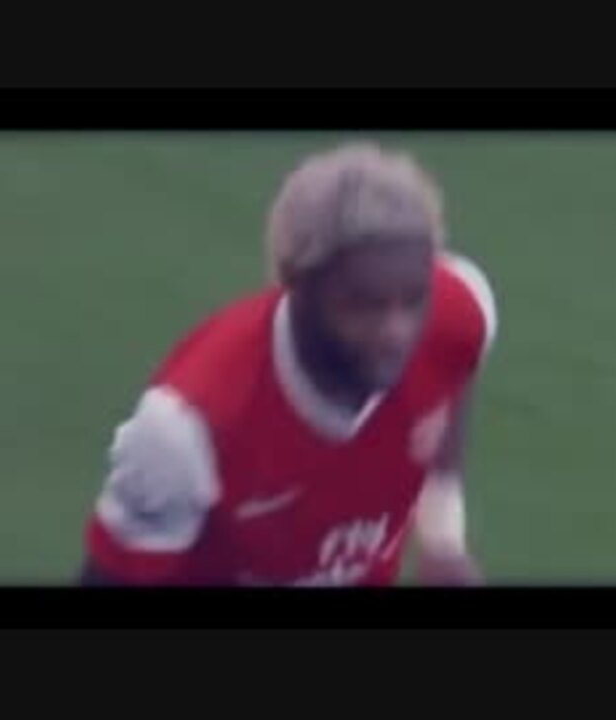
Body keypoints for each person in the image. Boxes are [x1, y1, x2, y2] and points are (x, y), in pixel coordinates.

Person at [79, 142, 497, 586]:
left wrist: (441, 538)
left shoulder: (458, 310)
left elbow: (454, 372)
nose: (397, 332)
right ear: (296, 282)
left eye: (413, 300)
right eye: (364, 306)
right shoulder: (186, 429)